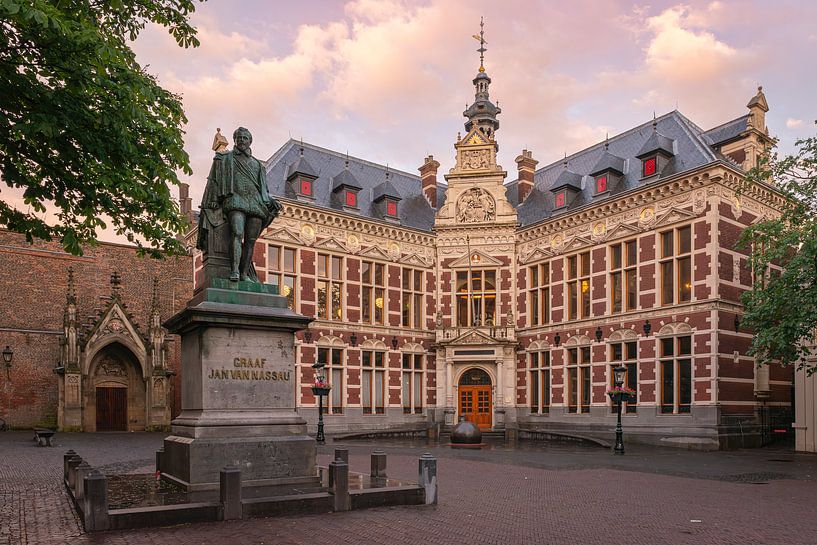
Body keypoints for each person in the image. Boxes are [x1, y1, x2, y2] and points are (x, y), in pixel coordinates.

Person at [197, 127, 282, 282]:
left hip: (256, 204)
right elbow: (214, 181)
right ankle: (234, 270)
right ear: (235, 140)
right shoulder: (225, 158)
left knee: (251, 240)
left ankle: (244, 273)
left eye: (245, 138)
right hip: (235, 200)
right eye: (239, 138)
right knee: (237, 233)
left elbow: (264, 190)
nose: (242, 140)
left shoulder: (258, 165)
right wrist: (212, 201)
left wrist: (271, 201)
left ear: (250, 141)